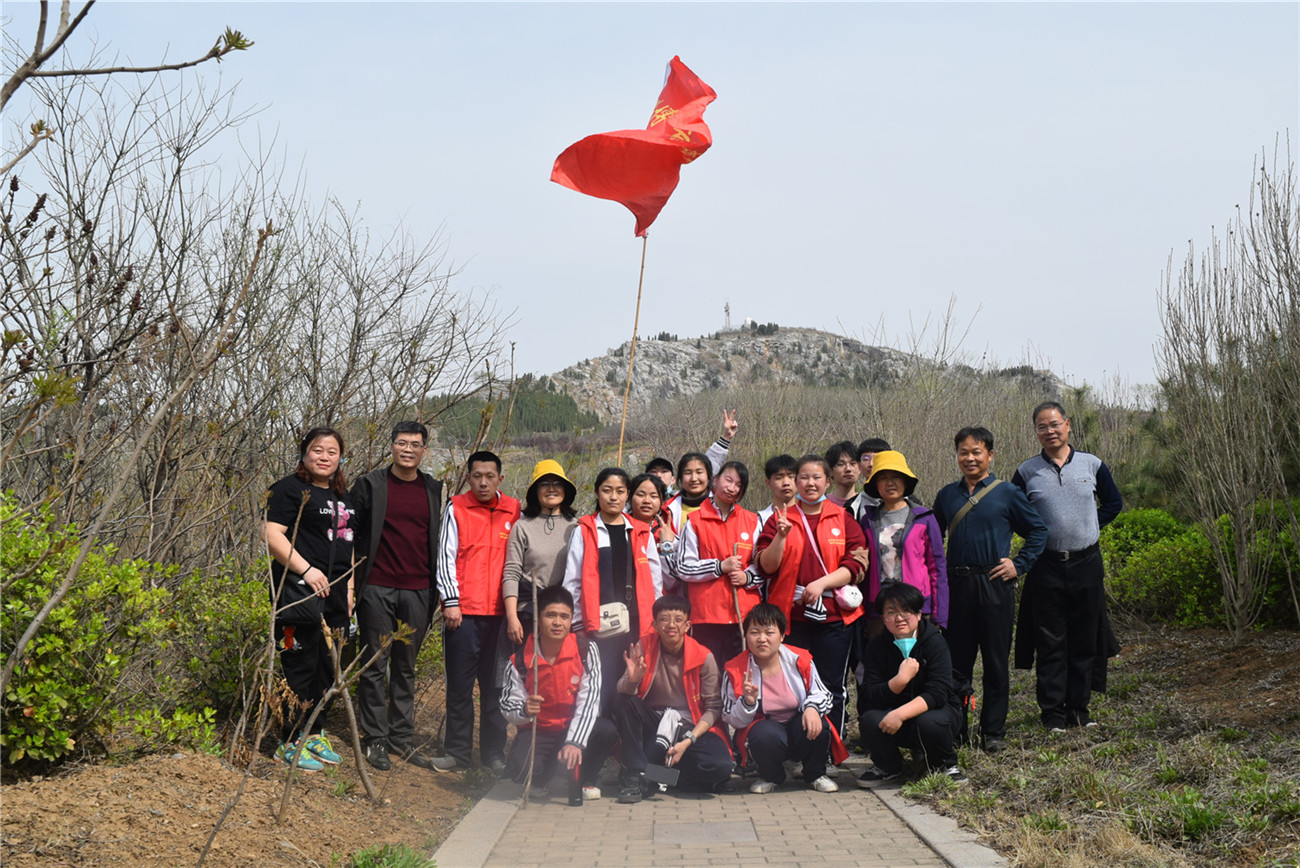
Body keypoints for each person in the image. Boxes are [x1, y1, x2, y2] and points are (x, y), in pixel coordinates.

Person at [932, 426, 1047, 753]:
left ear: (990, 455)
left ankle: (993, 732)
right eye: (963, 452)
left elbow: (1038, 531)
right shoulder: (947, 496)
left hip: (995, 584)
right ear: (956, 456)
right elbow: (930, 539)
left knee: (996, 662)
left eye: (976, 452)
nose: (970, 458)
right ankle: (957, 729)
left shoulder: (1007, 492)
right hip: (957, 586)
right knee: (956, 664)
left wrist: (1018, 564)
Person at [1012, 402, 1123, 731]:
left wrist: (1091, 525)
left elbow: (1114, 503)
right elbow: (1016, 514)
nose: (1050, 431)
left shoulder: (1092, 465)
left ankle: (1079, 710)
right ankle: (1052, 713)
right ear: (1036, 432)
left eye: (1055, 424)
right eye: (1042, 427)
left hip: (1087, 563)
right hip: (1047, 566)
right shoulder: (1027, 471)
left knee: (1085, 638)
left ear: (1068, 425)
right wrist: (1037, 536)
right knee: (1050, 641)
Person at [755, 454, 868, 750]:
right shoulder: (779, 519)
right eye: (802, 477)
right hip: (791, 619)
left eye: (817, 477)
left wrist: (822, 583)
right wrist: (780, 537)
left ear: (827, 481)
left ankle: (830, 752)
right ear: (794, 481)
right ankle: (797, 749)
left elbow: (857, 563)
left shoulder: (842, 518)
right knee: (794, 687)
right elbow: (766, 566)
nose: (809, 483)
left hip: (834, 618)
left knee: (832, 686)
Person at [350, 421, 444, 771]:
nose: (408, 449)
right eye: (402, 443)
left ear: (424, 450)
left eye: (415, 444)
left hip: (419, 589)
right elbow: (349, 533)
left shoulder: (433, 488)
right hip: (376, 585)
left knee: (406, 666)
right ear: (391, 446)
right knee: (375, 663)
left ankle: (401, 738)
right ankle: (375, 738)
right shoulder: (371, 485)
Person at [263, 427, 357, 771]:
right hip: (296, 595)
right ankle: (288, 742)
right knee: (297, 664)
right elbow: (272, 535)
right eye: (318, 450)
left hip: (335, 597)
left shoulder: (341, 495)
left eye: (332, 452)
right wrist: (306, 571)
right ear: (304, 453)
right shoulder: (288, 489)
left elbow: (349, 545)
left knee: (328, 667)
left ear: (340, 458)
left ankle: (313, 732)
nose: (324, 457)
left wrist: (349, 590)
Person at [432, 450, 521, 773]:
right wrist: (451, 602)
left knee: (496, 687)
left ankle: (493, 754)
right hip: (464, 614)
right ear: (468, 477)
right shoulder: (456, 507)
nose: (483, 482)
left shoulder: (514, 509)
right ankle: (457, 753)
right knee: (459, 685)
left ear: (500, 478)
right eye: (477, 476)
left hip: (500, 615)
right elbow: (445, 556)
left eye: (490, 476)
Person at [499, 585, 617, 801]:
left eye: (564, 616)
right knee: (518, 768)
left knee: (606, 730)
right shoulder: (520, 661)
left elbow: (589, 701)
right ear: (538, 619)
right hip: (539, 731)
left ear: (571, 620)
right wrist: (524, 709)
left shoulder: (585, 650)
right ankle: (545, 775)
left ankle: (586, 778)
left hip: (573, 726)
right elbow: (507, 704)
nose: (557, 622)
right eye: (550, 615)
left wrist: (575, 741)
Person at [563, 467, 663, 715]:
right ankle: (601, 735)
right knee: (600, 680)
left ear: (627, 495)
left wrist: (655, 620)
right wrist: (576, 624)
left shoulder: (641, 532)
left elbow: (655, 580)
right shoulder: (584, 531)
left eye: (620, 491)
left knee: (631, 677)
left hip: (637, 622)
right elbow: (573, 580)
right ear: (597, 493)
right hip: (597, 624)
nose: (613, 497)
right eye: (607, 490)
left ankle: (623, 739)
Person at [613, 596, 732, 803]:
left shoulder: (704, 656)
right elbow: (622, 688)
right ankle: (635, 775)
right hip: (654, 723)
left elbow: (713, 709)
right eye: (664, 619)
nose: (671, 625)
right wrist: (632, 681)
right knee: (623, 701)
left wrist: (688, 741)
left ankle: (655, 777)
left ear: (687, 625)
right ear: (654, 624)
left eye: (678, 620)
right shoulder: (644, 647)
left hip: (689, 726)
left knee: (720, 767)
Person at [721, 603, 846, 794]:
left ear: (781, 635)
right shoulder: (734, 669)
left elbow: (823, 695)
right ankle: (771, 776)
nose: (762, 639)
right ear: (746, 635)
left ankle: (815, 774)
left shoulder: (800, 660)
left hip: (798, 723)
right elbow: (731, 718)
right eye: (754, 632)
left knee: (817, 724)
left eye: (769, 632)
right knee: (764, 735)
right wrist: (747, 702)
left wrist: (812, 708)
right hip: (766, 729)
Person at [857, 583, 965, 786]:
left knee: (930, 722)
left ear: (918, 613)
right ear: (882, 619)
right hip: (894, 718)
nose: (899, 618)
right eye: (891, 612)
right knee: (869, 719)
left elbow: (939, 692)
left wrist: (900, 714)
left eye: (906, 611)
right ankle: (887, 766)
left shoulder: (935, 642)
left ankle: (944, 765)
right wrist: (899, 681)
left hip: (934, 715)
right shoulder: (877, 647)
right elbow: (869, 693)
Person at [668, 461, 763, 666]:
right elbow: (683, 567)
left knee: (742, 675)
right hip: (707, 617)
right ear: (716, 480)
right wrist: (719, 567)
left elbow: (763, 566)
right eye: (728, 480)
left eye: (739, 485)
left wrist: (748, 577)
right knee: (709, 677)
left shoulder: (753, 520)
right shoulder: (695, 521)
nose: (732, 488)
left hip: (745, 616)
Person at [503, 460, 580, 647]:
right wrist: (512, 617)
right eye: (544, 484)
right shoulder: (522, 527)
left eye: (557, 484)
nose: (551, 489)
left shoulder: (577, 527)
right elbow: (511, 573)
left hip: (563, 614)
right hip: (528, 612)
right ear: (535, 491)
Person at [628, 472, 677, 558]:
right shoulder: (619, 526)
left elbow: (673, 570)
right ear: (629, 497)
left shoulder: (665, 535)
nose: (647, 501)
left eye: (654, 496)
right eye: (640, 495)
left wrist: (666, 543)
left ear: (661, 501)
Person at [845, 437, 892, 520]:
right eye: (866, 459)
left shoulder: (908, 502)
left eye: (877, 458)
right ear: (859, 465)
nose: (871, 464)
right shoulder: (852, 506)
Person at [755, 453, 797, 527]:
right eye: (779, 478)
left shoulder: (807, 516)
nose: (786, 483)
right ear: (768, 483)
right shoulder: (759, 521)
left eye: (791, 476)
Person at [825, 441, 860, 507]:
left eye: (853, 464)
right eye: (841, 464)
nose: (848, 469)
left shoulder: (866, 504)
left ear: (859, 468)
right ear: (830, 471)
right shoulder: (822, 504)